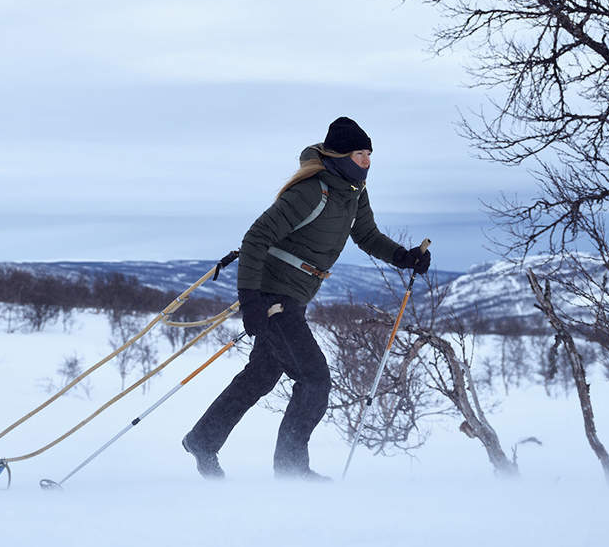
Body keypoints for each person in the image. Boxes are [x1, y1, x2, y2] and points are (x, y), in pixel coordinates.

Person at [182, 117, 431, 480]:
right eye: (360, 154)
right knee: (314, 380)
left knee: (262, 375)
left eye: (370, 154)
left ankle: (203, 440)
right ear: (341, 155)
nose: (367, 161)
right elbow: (255, 238)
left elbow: (367, 234)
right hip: (273, 294)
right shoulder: (311, 191)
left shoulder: (353, 191)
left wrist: (403, 257)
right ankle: (291, 471)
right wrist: (250, 300)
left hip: (294, 295)